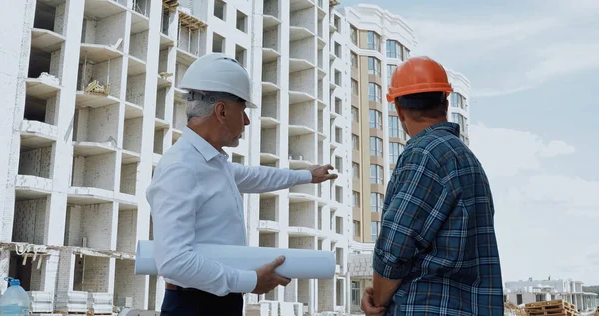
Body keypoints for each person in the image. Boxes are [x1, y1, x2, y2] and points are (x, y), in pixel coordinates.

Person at [146, 53, 338, 315]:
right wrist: (250, 281)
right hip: (195, 305)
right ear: (222, 111)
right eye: (243, 110)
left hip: (216, 300)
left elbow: (256, 176)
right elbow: (173, 261)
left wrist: (308, 176)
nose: (246, 120)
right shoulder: (182, 167)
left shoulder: (212, 164)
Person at [360, 56, 504, 316]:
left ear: (399, 111)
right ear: (445, 102)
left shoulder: (423, 154)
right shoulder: (467, 159)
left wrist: (378, 301)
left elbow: (395, 250)